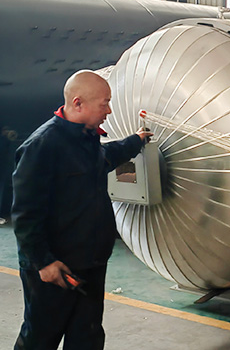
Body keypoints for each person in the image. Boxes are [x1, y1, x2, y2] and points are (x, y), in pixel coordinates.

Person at [11, 70, 153, 350]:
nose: (109, 111)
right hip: (57, 267)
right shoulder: (42, 146)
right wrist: (43, 262)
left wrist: (136, 141)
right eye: (104, 104)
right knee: (40, 338)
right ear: (78, 103)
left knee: (87, 337)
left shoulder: (86, 138)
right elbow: (26, 215)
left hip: (90, 262)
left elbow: (105, 157)